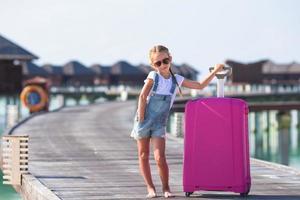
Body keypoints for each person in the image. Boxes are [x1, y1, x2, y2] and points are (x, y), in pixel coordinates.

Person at [131, 45, 224, 198]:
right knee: (143, 155)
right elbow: (142, 97)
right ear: (153, 65)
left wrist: (214, 71)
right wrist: (141, 117)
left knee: (160, 157)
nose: (162, 65)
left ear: (170, 58)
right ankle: (150, 188)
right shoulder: (153, 76)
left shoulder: (177, 80)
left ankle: (166, 188)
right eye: (158, 63)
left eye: (165, 60)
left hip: (159, 123)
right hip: (144, 119)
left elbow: (200, 86)